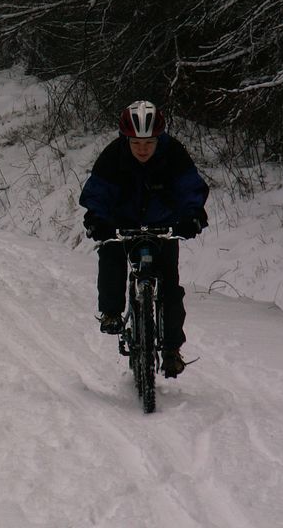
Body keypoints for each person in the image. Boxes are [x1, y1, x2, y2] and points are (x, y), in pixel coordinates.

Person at [79, 100, 209, 378]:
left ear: (158, 138)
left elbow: (190, 188)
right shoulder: (113, 156)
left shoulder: (173, 154)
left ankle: (172, 350)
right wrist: (97, 220)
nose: (142, 150)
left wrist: (193, 215)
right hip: (122, 223)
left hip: (163, 225)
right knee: (111, 255)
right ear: (125, 139)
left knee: (170, 286)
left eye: (148, 143)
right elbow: (98, 193)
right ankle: (112, 313)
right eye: (136, 143)